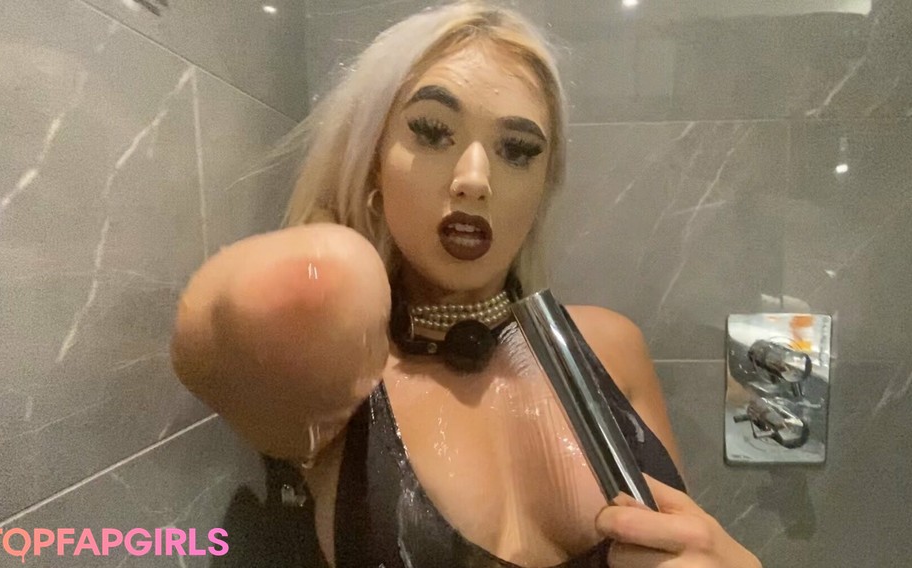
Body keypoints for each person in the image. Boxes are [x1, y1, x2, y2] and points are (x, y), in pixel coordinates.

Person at [171, 2, 761, 567]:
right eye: (432, 132)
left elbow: (680, 542)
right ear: (373, 159)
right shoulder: (334, 370)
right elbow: (233, 324)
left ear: (544, 186)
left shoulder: (610, 349)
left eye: (517, 150)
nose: (474, 179)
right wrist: (344, 250)